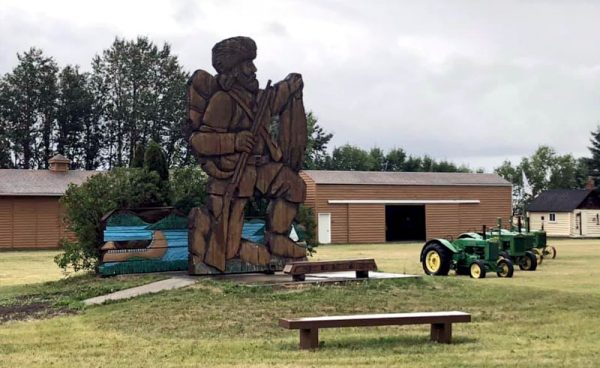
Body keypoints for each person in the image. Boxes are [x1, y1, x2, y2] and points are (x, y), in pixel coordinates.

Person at [188, 36, 307, 272]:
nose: (253, 69)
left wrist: (291, 85)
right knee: (227, 247)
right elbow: (199, 141)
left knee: (293, 185)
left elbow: (273, 100)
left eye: (252, 63)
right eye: (247, 64)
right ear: (233, 70)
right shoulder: (223, 100)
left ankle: (278, 237)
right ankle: (243, 252)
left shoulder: (257, 98)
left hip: (261, 168)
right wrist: (235, 140)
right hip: (234, 173)